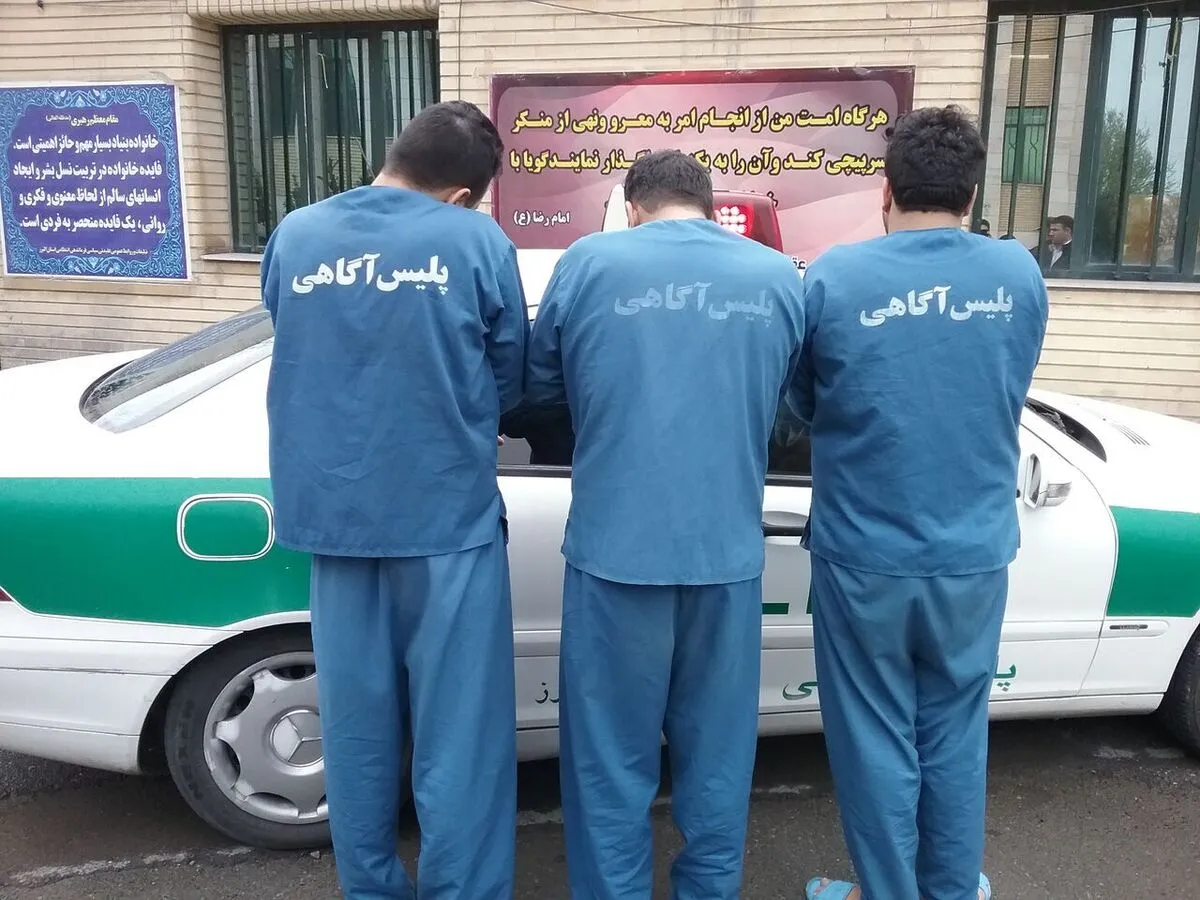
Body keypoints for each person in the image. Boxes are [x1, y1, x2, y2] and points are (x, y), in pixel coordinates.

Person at [260, 99, 529, 900]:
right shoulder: (476, 241)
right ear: (460, 195)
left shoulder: (296, 234)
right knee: (462, 738)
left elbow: (295, 335)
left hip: (335, 522)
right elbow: (510, 379)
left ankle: (371, 888)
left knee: (355, 732)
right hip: (446, 522)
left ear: (395, 153)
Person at [525, 150, 806, 900]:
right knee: (717, 757)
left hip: (615, 553)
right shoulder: (777, 278)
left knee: (609, 759)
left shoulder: (589, 264)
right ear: (709, 206)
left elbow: (541, 390)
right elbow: (785, 406)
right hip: (727, 556)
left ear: (633, 207)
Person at [792, 106, 1049, 900]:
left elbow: (803, 403)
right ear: (971, 195)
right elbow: (1008, 382)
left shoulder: (833, 277)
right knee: (955, 734)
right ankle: (950, 889)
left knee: (873, 739)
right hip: (972, 556)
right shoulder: (1017, 276)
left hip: (862, 557)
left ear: (885, 190)